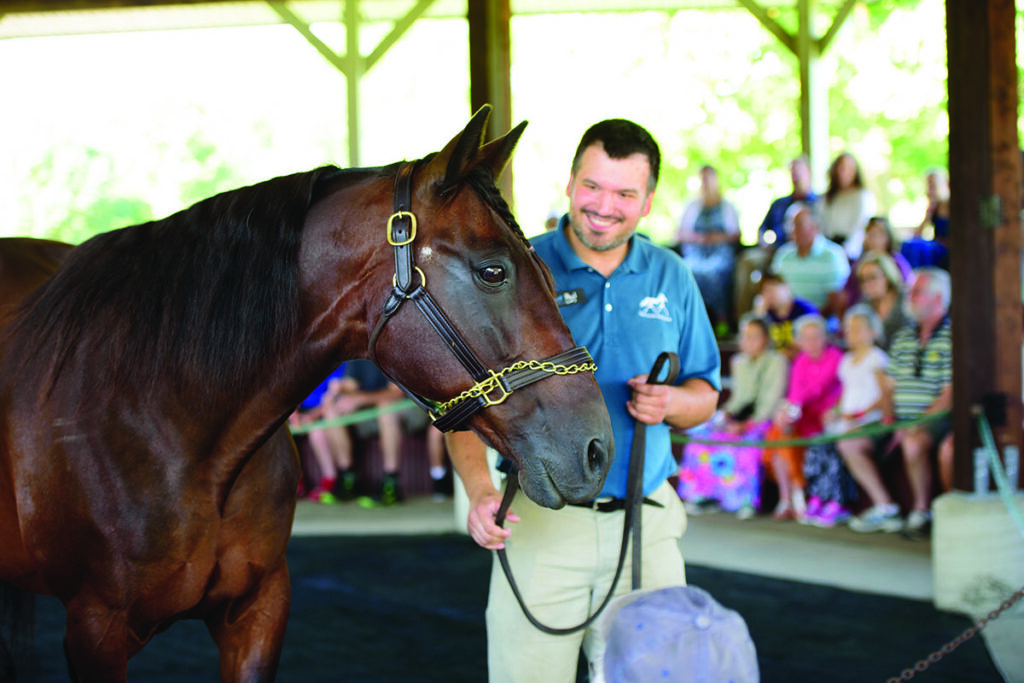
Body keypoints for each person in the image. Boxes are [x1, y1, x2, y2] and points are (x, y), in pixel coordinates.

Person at [446, 119, 721, 683]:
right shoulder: (516, 270)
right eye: (593, 186)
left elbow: (706, 395)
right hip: (542, 521)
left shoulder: (672, 276)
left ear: (647, 203)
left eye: (624, 193)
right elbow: (462, 406)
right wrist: (479, 492)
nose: (604, 205)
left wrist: (668, 403)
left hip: (650, 526)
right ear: (570, 184)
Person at [840, 268, 953, 534]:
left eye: (917, 292)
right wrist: (888, 418)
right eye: (910, 291)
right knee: (850, 442)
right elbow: (888, 388)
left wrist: (916, 423)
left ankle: (920, 511)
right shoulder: (903, 338)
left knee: (913, 443)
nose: (909, 297)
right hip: (898, 419)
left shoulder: (952, 337)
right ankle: (885, 506)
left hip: (934, 420)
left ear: (938, 298)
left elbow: (949, 395)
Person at [678, 314, 787, 519]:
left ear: (766, 339)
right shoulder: (739, 362)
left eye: (754, 336)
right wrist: (726, 416)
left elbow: (770, 401)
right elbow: (739, 399)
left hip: (765, 419)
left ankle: (744, 501)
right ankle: (703, 495)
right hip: (740, 417)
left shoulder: (777, 361)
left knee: (747, 442)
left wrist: (746, 424)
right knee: (701, 435)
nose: (748, 341)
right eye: (745, 336)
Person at [803, 304, 887, 527]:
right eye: (849, 329)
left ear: (873, 331)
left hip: (870, 421)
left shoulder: (877, 359)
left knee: (842, 445)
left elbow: (885, 395)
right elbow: (846, 395)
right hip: (849, 420)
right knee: (819, 444)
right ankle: (821, 497)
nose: (852, 334)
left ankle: (844, 502)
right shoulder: (847, 362)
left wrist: (861, 414)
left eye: (858, 329)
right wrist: (836, 411)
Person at [762, 314, 842, 521]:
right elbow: (795, 395)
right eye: (806, 337)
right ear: (799, 341)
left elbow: (816, 389)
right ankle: (788, 498)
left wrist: (791, 407)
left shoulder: (835, 357)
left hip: (824, 419)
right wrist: (785, 411)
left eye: (816, 336)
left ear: (826, 337)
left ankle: (795, 498)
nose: (812, 342)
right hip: (802, 419)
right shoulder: (801, 361)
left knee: (784, 433)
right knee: (778, 432)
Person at [734, 155, 818, 318]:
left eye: (798, 172)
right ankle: (746, 320)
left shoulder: (817, 202)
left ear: (808, 173)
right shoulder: (780, 203)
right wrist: (766, 245)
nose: (795, 176)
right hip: (775, 251)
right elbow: (762, 229)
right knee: (748, 262)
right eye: (792, 172)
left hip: (799, 249)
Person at [673, 164, 741, 336]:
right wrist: (698, 238)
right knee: (687, 273)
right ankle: (687, 323)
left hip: (720, 254)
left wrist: (716, 237)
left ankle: (721, 320)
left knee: (714, 275)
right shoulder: (691, 206)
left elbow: (735, 235)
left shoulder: (727, 206)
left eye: (709, 179)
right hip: (695, 254)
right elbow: (679, 233)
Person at [770, 202, 851, 321]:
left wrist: (809, 322)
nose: (792, 229)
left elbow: (836, 301)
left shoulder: (833, 255)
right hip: (785, 322)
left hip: (820, 323)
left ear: (815, 227)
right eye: (789, 224)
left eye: (798, 224)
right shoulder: (783, 255)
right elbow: (773, 292)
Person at [288, 364, 349, 502]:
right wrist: (293, 414)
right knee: (282, 430)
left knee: (317, 433)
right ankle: (294, 480)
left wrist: (311, 416)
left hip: (324, 412)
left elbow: (333, 398)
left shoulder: (338, 366)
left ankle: (330, 479)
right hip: (300, 412)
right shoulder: (302, 363)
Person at [820, 152, 876, 259]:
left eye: (847, 168)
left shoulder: (862, 197)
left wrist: (847, 251)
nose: (843, 173)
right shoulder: (827, 198)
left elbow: (860, 227)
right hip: (829, 247)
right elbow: (822, 225)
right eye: (840, 168)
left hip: (852, 250)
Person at [753, 271, 820, 359]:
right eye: (764, 291)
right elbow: (754, 346)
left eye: (771, 289)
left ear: (786, 287)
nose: (768, 295)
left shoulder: (805, 311)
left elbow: (811, 345)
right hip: (774, 364)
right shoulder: (766, 313)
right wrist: (759, 316)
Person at [853, 252, 911, 352]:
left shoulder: (906, 298)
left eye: (873, 277)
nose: (868, 284)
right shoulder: (865, 304)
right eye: (863, 280)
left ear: (887, 275)